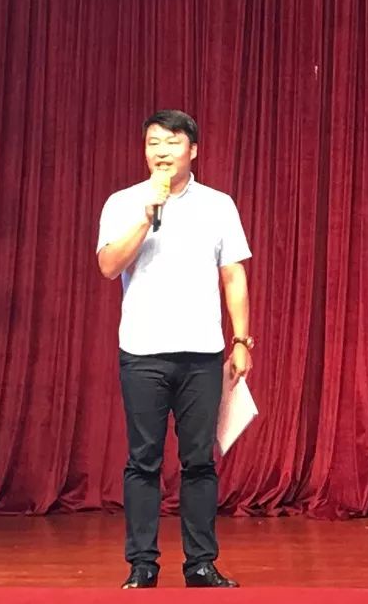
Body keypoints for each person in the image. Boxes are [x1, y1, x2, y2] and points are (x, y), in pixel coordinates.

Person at [96, 109, 253, 589]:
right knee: (143, 460)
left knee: (199, 461)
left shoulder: (218, 205)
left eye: (171, 142)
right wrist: (146, 218)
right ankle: (142, 564)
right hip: (143, 351)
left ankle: (201, 563)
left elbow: (234, 274)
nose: (161, 152)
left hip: (202, 353)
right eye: (153, 143)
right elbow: (108, 266)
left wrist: (241, 340)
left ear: (193, 150)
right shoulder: (124, 202)